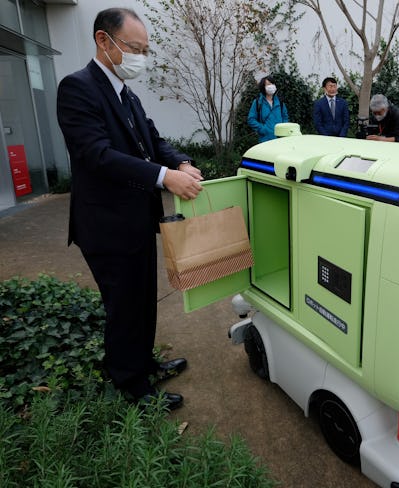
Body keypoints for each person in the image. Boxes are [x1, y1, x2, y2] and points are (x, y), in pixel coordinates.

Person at [57, 8, 204, 409]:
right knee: (123, 307)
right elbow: (98, 155)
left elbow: (153, 141)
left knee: (142, 299)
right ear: (104, 41)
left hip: (137, 221)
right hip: (105, 225)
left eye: (144, 49)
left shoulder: (126, 92)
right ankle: (132, 385)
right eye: (134, 48)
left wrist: (181, 162)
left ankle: (144, 364)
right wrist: (164, 177)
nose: (140, 56)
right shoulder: (78, 88)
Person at [247, 75, 289, 143]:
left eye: (272, 83)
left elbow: (285, 116)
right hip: (265, 139)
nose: (271, 86)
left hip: (280, 139)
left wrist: (283, 130)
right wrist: (262, 129)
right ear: (263, 87)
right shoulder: (258, 102)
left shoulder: (280, 102)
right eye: (268, 84)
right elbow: (251, 119)